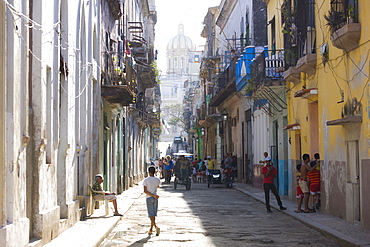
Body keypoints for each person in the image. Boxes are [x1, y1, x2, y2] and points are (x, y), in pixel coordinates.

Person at [143, 166, 161, 236]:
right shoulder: (157, 180)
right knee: (153, 214)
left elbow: (145, 191)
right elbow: (157, 186)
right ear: (155, 172)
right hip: (156, 198)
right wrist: (154, 195)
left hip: (149, 197)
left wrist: (152, 195)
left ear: (149, 172)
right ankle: (151, 229)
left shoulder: (146, 180)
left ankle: (156, 227)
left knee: (151, 214)